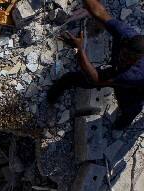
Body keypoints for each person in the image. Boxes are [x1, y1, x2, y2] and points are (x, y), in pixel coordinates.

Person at [50, 0, 144, 130]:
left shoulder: (135, 74)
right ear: (125, 42)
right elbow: (99, 12)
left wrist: (80, 49)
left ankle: (122, 124)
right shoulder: (126, 34)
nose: (124, 59)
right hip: (115, 70)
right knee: (75, 78)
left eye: (130, 60)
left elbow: (96, 79)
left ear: (138, 60)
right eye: (124, 54)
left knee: (129, 108)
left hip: (135, 89)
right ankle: (54, 93)